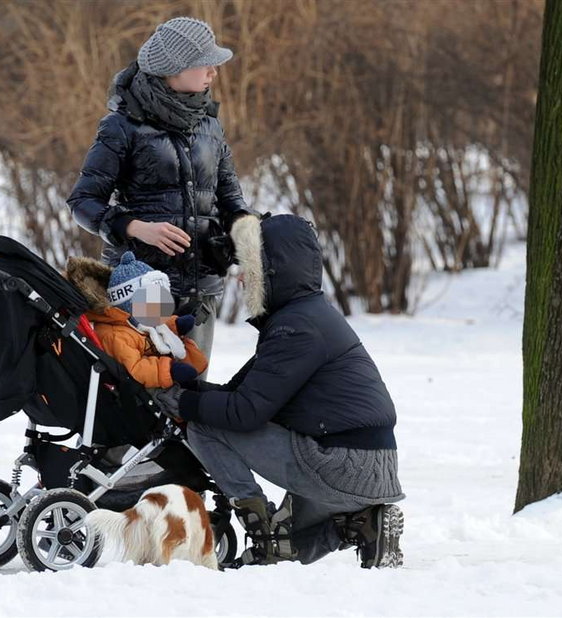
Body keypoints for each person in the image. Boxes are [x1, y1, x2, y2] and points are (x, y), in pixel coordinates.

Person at [169, 214, 406, 568]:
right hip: (369, 463)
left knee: (204, 425)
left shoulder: (295, 328)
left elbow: (244, 412)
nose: (243, 278)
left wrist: (182, 404)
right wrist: (188, 389)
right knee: (289, 548)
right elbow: (239, 393)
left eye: (251, 267)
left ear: (274, 271)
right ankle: (361, 525)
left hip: (342, 463)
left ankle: (263, 533)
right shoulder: (307, 316)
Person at [66, 16, 258, 373]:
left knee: (190, 394)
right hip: (143, 288)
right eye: (205, 62)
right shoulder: (121, 127)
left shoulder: (210, 126)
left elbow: (233, 204)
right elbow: (83, 202)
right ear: (174, 67)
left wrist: (249, 251)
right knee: (145, 394)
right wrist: (135, 227)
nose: (214, 71)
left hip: (202, 288)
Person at [66, 251, 207, 390]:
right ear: (130, 303)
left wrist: (175, 326)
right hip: (149, 393)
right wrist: (169, 370)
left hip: (166, 385)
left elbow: (155, 329)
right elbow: (135, 368)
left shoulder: (138, 321)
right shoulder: (116, 335)